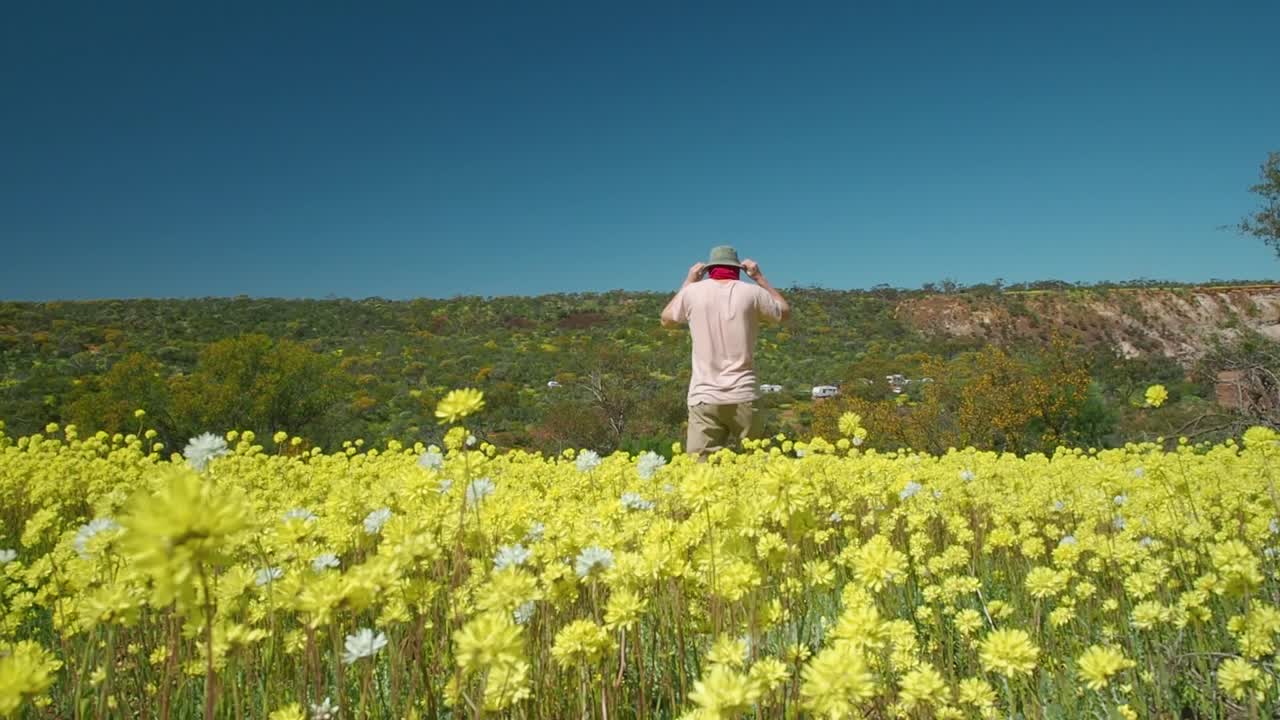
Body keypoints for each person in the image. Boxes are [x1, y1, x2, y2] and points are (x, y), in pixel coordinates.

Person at [661, 245, 790, 457]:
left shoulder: (692, 293)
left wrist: (689, 280)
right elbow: (784, 314)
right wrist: (760, 278)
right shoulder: (754, 293)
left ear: (709, 269)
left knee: (701, 475)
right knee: (755, 468)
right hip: (745, 393)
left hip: (704, 396)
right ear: (738, 268)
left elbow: (667, 320)